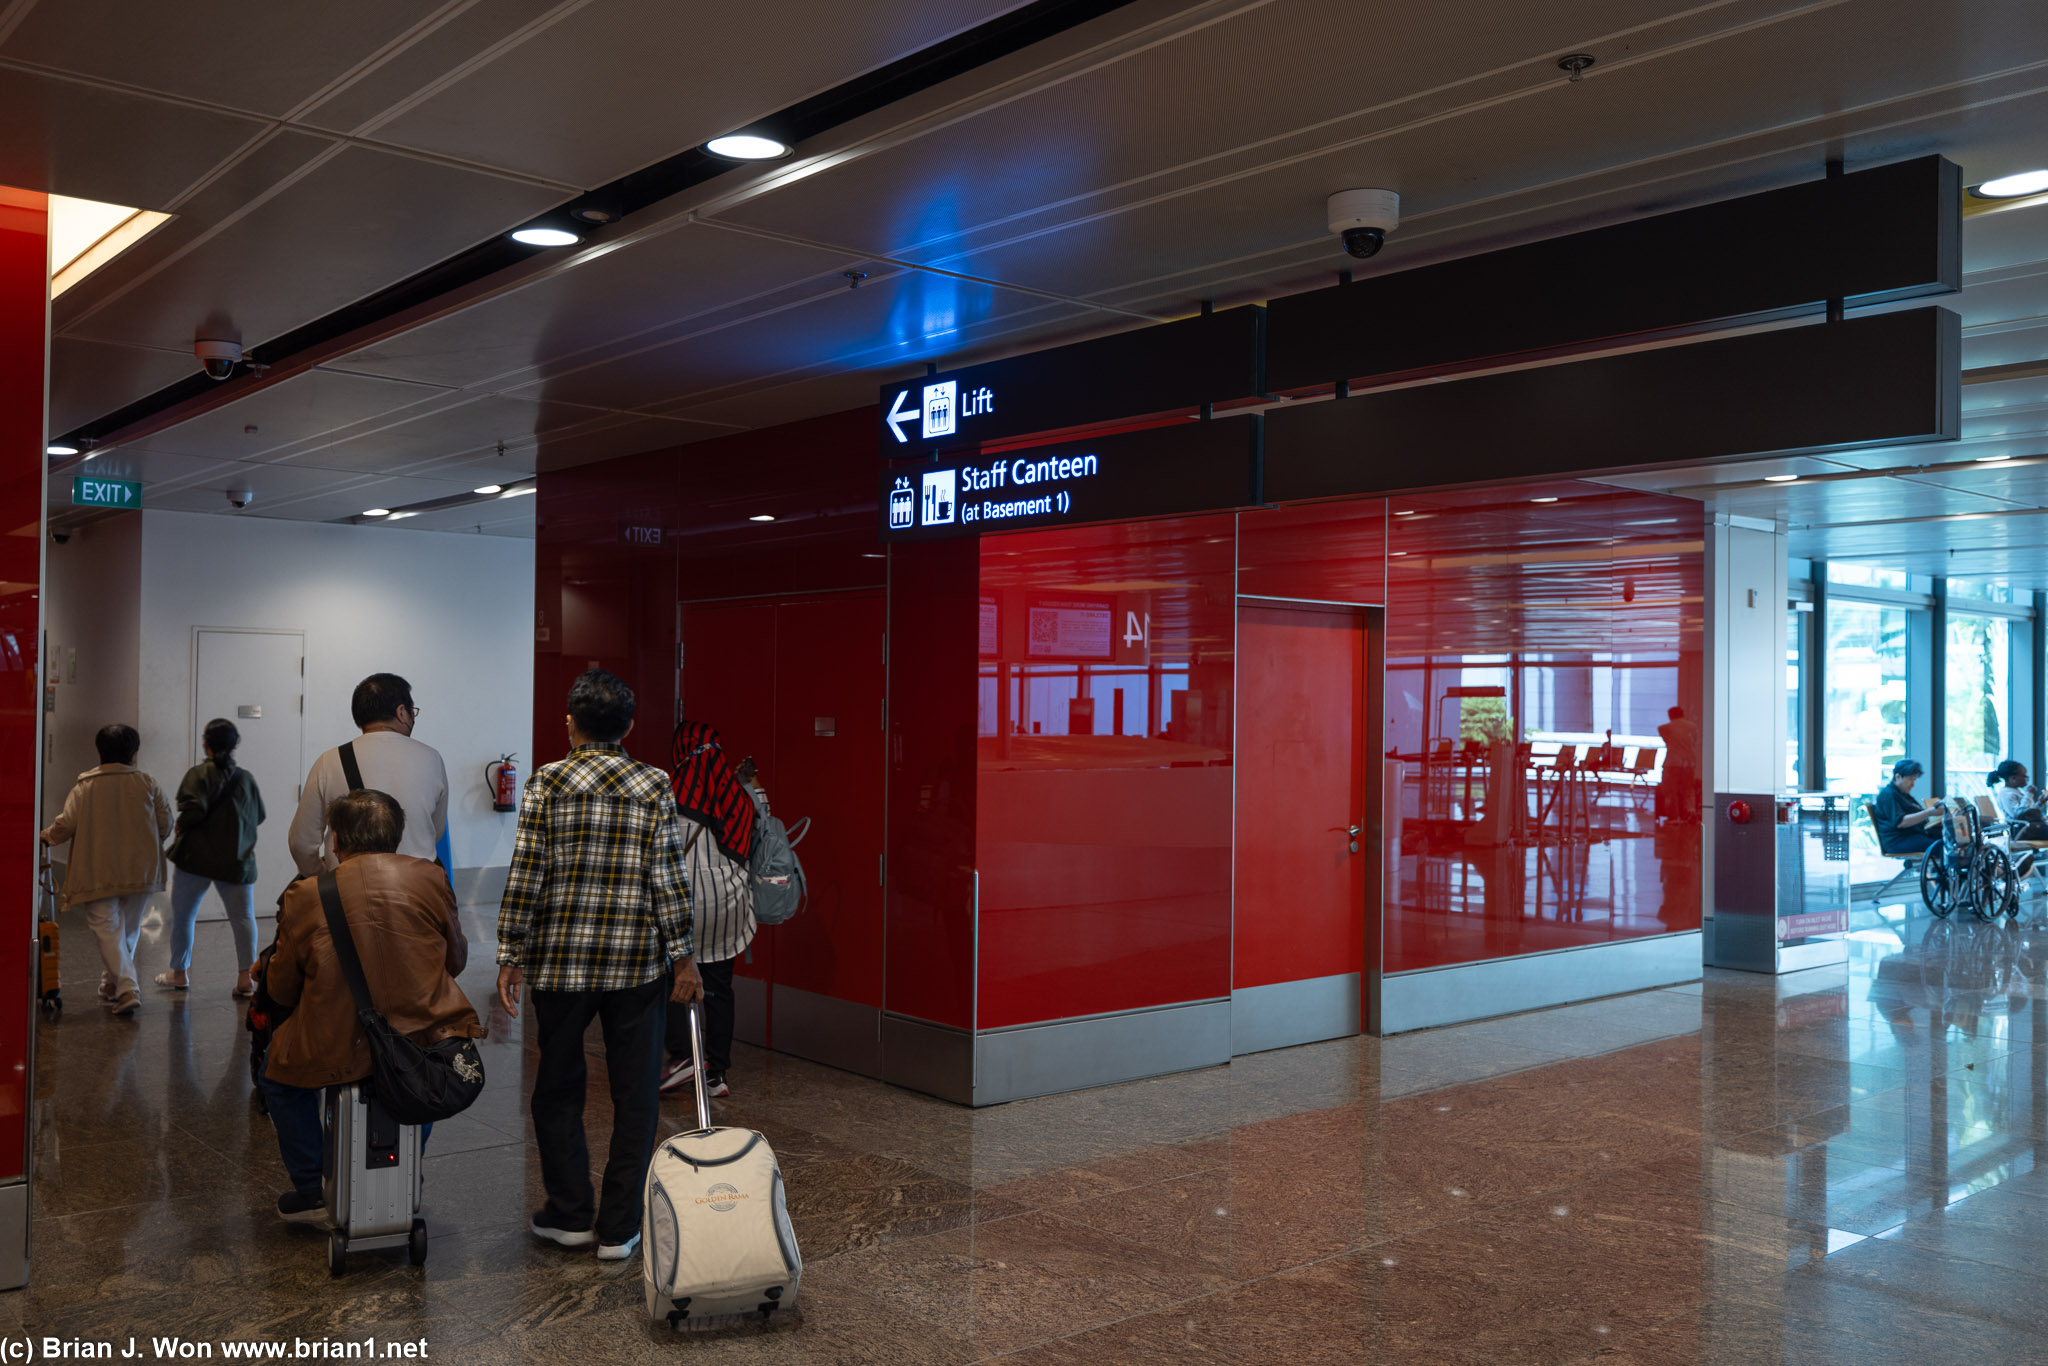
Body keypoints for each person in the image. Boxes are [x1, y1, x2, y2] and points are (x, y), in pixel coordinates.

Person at [497, 669, 700, 1262]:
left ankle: (569, 1214)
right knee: (636, 1093)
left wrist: (510, 952)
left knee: (557, 1086)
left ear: (571, 723)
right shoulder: (654, 783)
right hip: (636, 964)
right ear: (629, 726)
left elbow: (528, 871)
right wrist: (682, 955)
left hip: (559, 963)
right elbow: (667, 876)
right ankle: (618, 1228)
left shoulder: (546, 783)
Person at [260, 788, 479, 1224]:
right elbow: (455, 960)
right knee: (422, 1081)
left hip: (333, 1039)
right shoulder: (431, 878)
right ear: (396, 837)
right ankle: (406, 1176)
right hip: (421, 1034)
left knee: (279, 1079)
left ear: (335, 842)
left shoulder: (305, 894)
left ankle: (312, 1188)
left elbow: (281, 989)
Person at [40, 724, 172, 1016]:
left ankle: (126, 987)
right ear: (134, 755)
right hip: (142, 871)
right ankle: (111, 984)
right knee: (128, 929)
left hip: (97, 871)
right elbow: (165, 824)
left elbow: (66, 824)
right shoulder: (148, 783)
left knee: (107, 928)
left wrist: (46, 836)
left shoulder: (85, 787)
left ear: (99, 752)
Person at [660, 723, 758, 1101]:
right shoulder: (739, 795)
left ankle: (685, 1057)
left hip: (684, 900)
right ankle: (716, 1073)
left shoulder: (669, 790)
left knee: (672, 979)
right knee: (719, 988)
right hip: (729, 903)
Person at [288, 673, 449, 875]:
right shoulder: (432, 758)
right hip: (416, 888)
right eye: (412, 712)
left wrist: (322, 877)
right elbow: (435, 830)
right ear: (401, 712)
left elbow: (301, 843)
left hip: (348, 889)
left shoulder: (329, 761)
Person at [159, 717, 267, 997]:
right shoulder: (246, 779)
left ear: (205, 744)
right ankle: (246, 978)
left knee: (184, 916)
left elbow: (192, 811)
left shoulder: (198, 774)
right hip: (237, 861)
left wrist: (183, 825)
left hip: (195, 859)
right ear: (234, 746)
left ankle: (180, 973)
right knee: (243, 918)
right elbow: (259, 816)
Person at [1872, 758, 1941, 855]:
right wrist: (1929, 812)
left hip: (1911, 835)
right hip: (1898, 841)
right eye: (1910, 779)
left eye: (1915, 780)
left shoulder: (1902, 794)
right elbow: (1900, 822)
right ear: (1898, 777)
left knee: (1946, 839)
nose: (1913, 784)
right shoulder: (1888, 795)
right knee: (1941, 847)